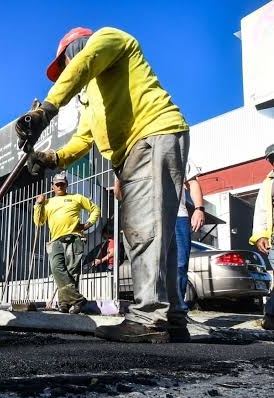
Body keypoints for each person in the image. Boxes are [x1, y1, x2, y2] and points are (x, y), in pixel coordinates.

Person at [15, 27, 190, 342]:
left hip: (150, 135)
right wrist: (49, 158)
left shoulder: (108, 39)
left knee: (144, 231)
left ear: (77, 47)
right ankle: (172, 318)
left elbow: (86, 63)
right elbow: (83, 138)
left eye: (66, 60)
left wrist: (46, 111)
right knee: (161, 236)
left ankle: (149, 318)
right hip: (143, 145)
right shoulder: (91, 96)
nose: (68, 68)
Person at [33, 172, 100, 313]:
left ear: (66, 185)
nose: (60, 186)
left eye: (62, 183)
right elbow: (38, 222)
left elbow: (95, 209)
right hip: (55, 240)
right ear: (53, 187)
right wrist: (38, 205)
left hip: (74, 238)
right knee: (56, 269)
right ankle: (78, 300)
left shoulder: (76, 198)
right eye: (57, 184)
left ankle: (64, 304)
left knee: (71, 272)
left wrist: (87, 224)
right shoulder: (47, 202)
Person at [249, 144, 274, 330]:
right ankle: (271, 317)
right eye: (272, 159)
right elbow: (262, 211)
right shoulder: (269, 183)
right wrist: (260, 235)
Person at [176, 160, 206, 310]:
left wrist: (199, 208)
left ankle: (178, 311)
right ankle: (153, 310)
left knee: (180, 264)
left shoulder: (180, 151)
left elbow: (192, 182)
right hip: (150, 217)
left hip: (177, 216)